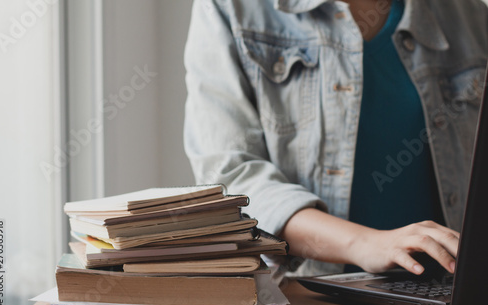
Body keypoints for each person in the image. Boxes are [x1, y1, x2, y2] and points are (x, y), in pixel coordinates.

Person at [183, 0, 488, 277]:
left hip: (453, 302)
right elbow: (231, 179)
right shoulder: (229, 8)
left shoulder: (468, 13)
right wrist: (367, 243)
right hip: (306, 303)